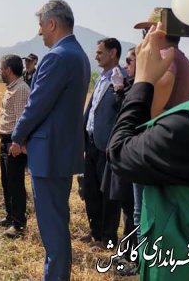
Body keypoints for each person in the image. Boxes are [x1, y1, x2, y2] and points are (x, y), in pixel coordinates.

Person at [107, 22, 189, 280]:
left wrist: (141, 81)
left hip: (164, 158)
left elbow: (120, 151)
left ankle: (139, 261)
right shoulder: (182, 62)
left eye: (149, 30)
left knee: (140, 213)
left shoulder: (167, 67)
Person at [10, 0, 91, 281]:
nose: (40, 32)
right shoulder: (78, 54)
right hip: (62, 152)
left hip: (49, 154)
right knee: (58, 221)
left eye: (41, 26)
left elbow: (36, 105)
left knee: (52, 228)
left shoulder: (57, 57)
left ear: (52, 24)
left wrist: (18, 136)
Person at [82, 38, 131, 247]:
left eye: (100, 52)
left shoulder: (123, 79)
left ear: (113, 53)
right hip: (92, 142)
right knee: (91, 190)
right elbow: (93, 109)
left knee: (108, 195)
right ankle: (95, 232)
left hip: (108, 146)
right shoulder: (101, 78)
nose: (96, 56)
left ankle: (108, 237)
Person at [0, 54, 30, 238]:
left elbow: (22, 119)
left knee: (15, 184)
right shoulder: (11, 88)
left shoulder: (21, 89)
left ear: (8, 70)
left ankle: (19, 223)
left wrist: (18, 142)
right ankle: (10, 216)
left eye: (0, 69)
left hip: (13, 143)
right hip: (5, 141)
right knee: (7, 182)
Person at [134, 8, 189, 118]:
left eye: (145, 31)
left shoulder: (163, 57)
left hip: (158, 130)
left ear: (157, 32)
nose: (144, 37)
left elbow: (163, 84)